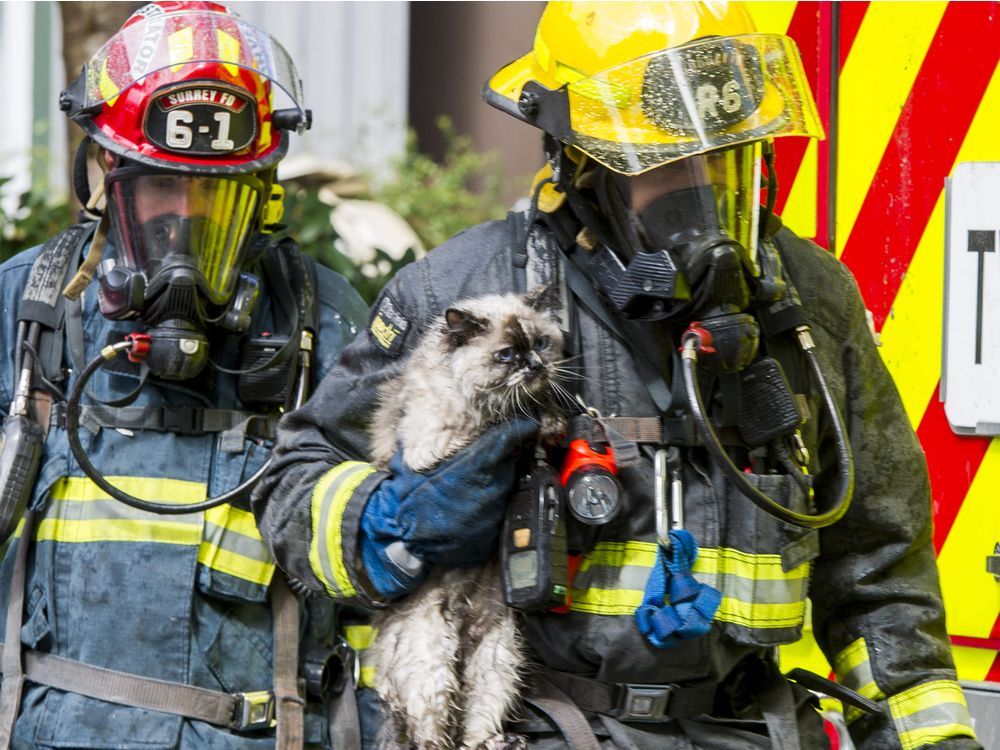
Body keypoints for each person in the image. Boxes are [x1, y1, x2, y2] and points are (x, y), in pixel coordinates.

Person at [252, 2, 982, 749]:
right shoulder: (465, 291)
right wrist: (387, 524)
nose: (700, 199)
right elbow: (295, 483)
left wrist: (929, 738)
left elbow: (878, 567)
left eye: (724, 158)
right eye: (664, 166)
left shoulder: (806, 304)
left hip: (747, 728)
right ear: (583, 169)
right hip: (540, 727)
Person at [0, 2, 374, 748]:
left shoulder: (322, 324)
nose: (184, 218)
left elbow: (369, 598)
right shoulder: (29, 311)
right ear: (109, 174)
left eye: (214, 194)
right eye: (158, 188)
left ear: (262, 192)